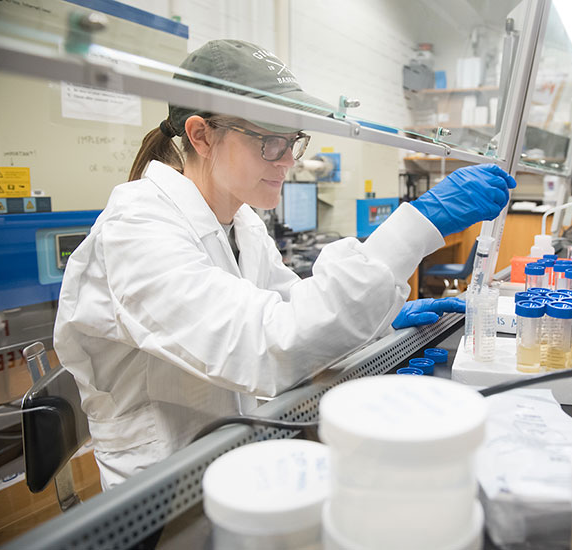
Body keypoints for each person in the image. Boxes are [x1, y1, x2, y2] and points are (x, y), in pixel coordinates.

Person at [54, 40, 516, 489]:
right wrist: (416, 226)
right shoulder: (137, 229)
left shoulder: (242, 222)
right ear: (200, 135)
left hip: (234, 455)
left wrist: (381, 322)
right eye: (270, 141)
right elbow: (268, 343)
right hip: (159, 493)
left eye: (293, 141)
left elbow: (287, 301)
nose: (288, 161)